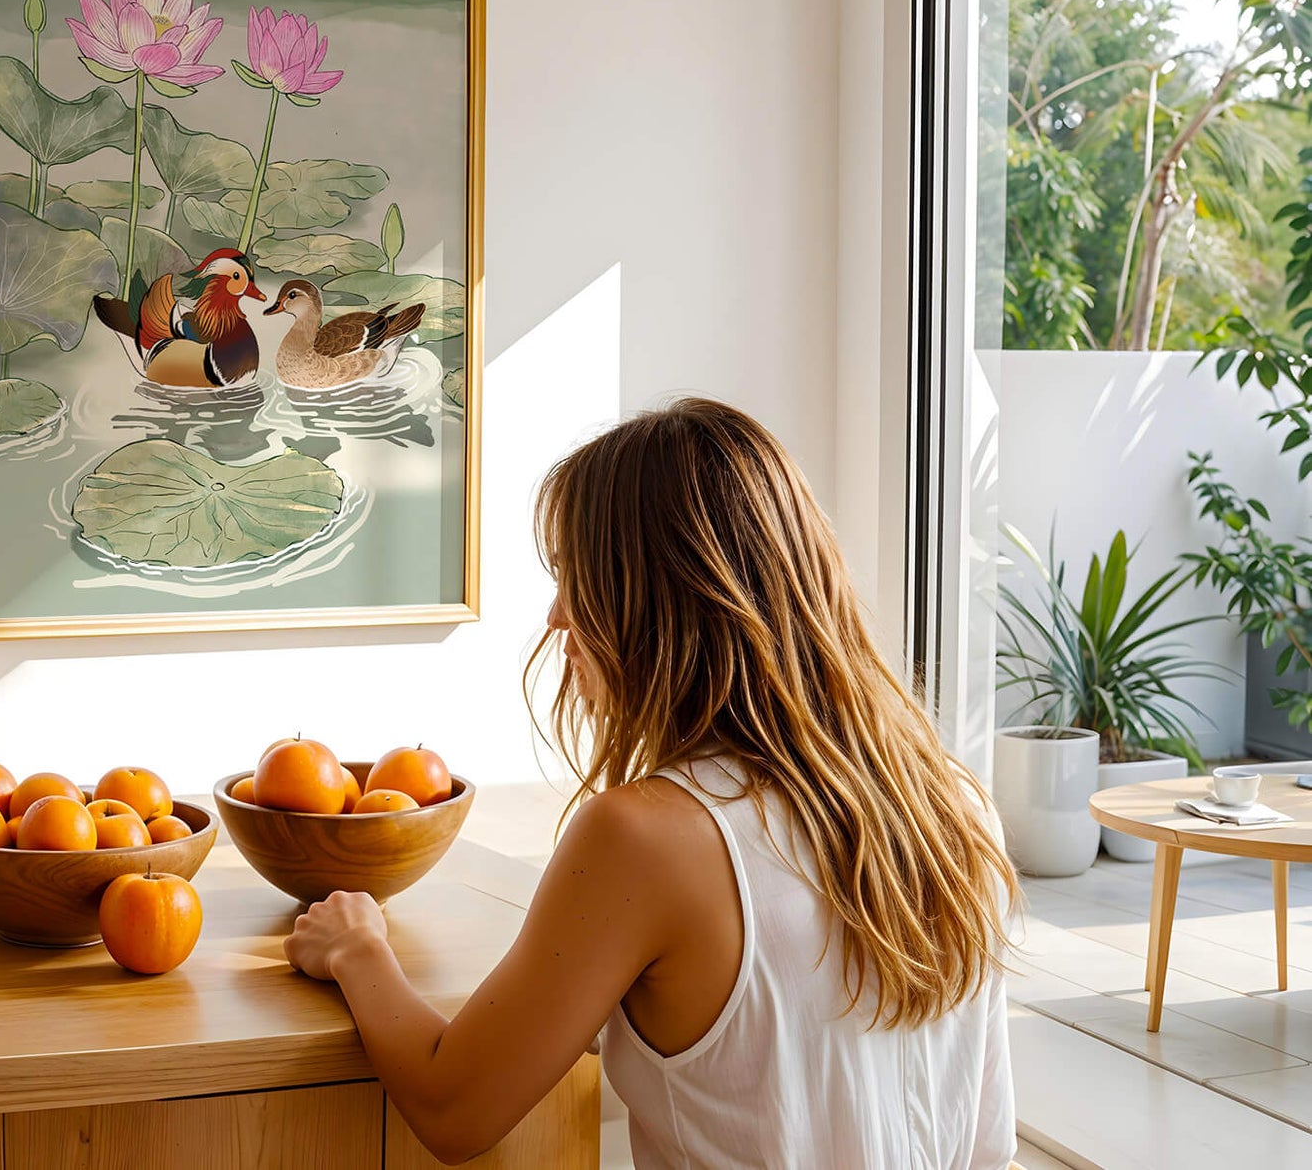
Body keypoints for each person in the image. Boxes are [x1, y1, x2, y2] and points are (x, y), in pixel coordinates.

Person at [284, 399, 1017, 1168]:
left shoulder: (643, 836)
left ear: (658, 598)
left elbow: (452, 1107)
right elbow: (989, 1142)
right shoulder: (954, 803)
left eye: (578, 576)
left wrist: (358, 946)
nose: (557, 615)